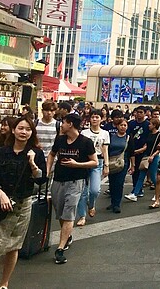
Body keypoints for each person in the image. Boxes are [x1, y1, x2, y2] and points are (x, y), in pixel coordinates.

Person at [0, 117, 47, 288]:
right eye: (20, 128)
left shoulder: (37, 153)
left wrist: (32, 164)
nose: (23, 132)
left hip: (22, 205)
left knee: (13, 245)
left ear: (32, 132)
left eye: (28, 129)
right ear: (13, 130)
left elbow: (41, 181)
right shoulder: (1, 151)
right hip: (0, 204)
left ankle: (4, 283)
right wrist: (0, 192)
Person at [47, 113, 98, 264]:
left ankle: (60, 248)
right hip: (58, 180)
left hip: (76, 181)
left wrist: (77, 165)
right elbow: (51, 154)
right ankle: (67, 235)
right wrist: (48, 169)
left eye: (63, 122)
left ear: (70, 124)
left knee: (69, 213)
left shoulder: (85, 142)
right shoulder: (60, 139)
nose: (61, 124)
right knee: (60, 212)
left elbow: (94, 162)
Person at [76, 109, 110, 226]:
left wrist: (107, 165)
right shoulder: (84, 133)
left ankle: (91, 204)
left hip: (98, 162)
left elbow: (105, 150)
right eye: (93, 117)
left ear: (101, 119)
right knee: (82, 191)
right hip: (84, 162)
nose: (95, 119)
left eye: (97, 117)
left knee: (95, 190)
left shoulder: (105, 133)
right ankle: (82, 215)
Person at [124, 118, 160, 202]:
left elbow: (159, 148)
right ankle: (135, 194)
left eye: (150, 124)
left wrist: (153, 156)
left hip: (154, 157)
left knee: (153, 176)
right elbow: (145, 146)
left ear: (155, 125)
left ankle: (158, 192)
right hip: (146, 156)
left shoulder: (159, 135)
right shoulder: (149, 134)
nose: (149, 125)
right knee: (141, 176)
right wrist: (136, 151)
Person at [106, 118, 134, 213]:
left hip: (123, 163)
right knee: (112, 183)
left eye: (125, 125)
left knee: (119, 183)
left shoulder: (128, 138)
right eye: (121, 125)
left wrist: (133, 165)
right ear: (117, 126)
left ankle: (117, 204)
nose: (123, 127)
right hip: (111, 162)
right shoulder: (111, 136)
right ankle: (113, 202)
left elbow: (131, 153)